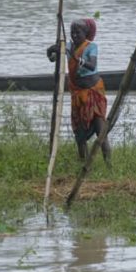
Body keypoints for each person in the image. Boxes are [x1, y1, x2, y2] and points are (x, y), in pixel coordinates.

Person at [47, 18, 111, 164]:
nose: (75, 35)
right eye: (72, 32)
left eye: (78, 32)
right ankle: (84, 166)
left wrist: (77, 58)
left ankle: (109, 166)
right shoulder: (68, 46)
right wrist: (51, 51)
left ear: (85, 33)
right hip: (78, 95)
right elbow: (53, 58)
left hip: (93, 93)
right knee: (80, 134)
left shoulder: (91, 47)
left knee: (100, 131)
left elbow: (92, 66)